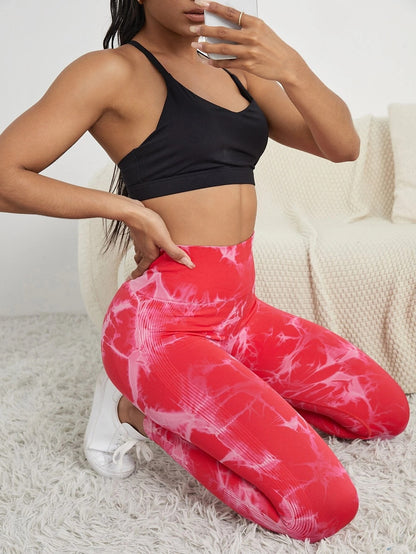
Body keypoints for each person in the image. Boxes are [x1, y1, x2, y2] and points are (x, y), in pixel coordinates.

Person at [0, 0, 409, 543]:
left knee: (385, 413)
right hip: (162, 327)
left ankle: (214, 392)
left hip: (240, 313)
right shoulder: (111, 72)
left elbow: (342, 146)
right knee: (321, 507)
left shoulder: (231, 64)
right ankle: (133, 411)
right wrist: (129, 209)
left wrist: (290, 65)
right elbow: (5, 175)